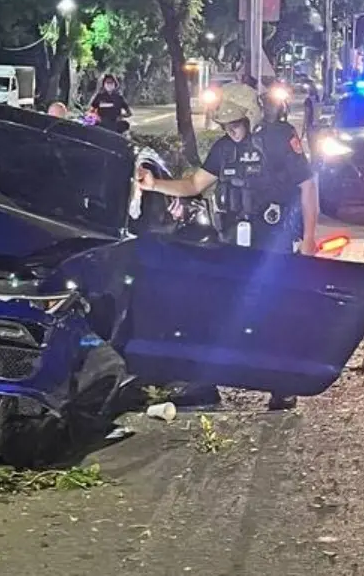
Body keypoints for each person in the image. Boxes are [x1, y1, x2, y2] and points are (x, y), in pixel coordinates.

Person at [136, 82, 319, 410]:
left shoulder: (279, 139)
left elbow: (307, 188)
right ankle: (205, 385)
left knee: (272, 312)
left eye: (236, 124)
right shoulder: (222, 149)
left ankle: (282, 385)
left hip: (272, 241)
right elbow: (194, 184)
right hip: (232, 241)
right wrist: (156, 184)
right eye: (226, 126)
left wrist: (309, 238)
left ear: (251, 116)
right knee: (216, 308)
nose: (232, 131)